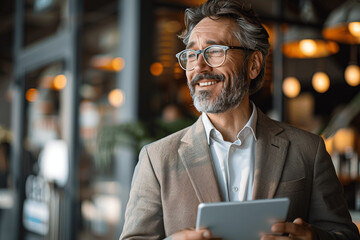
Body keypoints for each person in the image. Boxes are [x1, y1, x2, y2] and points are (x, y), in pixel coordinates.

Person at [120, 0, 360, 239]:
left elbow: (345, 235)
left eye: (214, 51)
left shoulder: (309, 150)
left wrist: (312, 238)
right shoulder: (156, 159)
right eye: (192, 54)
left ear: (253, 65)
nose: (199, 66)